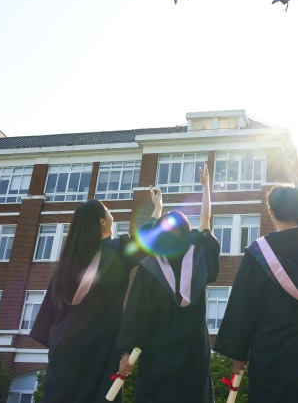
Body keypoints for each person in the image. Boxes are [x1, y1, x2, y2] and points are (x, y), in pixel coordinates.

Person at [214, 150, 298, 403]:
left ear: (270, 212)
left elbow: (243, 305)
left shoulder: (259, 253)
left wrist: (239, 353)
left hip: (273, 357)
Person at [30, 198, 153, 402]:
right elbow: (144, 244)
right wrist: (156, 213)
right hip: (97, 350)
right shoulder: (116, 250)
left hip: (64, 353)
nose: (110, 212)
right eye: (107, 210)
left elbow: (49, 312)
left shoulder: (68, 262)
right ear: (102, 221)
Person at [115, 167, 220, 403]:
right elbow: (205, 222)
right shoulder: (200, 256)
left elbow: (136, 313)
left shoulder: (150, 267)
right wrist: (205, 188)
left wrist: (126, 350)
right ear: (187, 233)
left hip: (157, 355)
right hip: (193, 355)